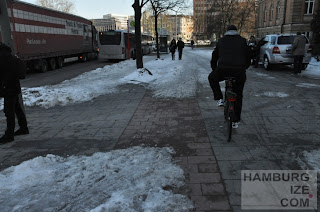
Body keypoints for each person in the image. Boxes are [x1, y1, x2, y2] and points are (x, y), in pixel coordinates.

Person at [208, 25, 251, 128]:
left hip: (223, 70)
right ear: (236, 31)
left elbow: (214, 57)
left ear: (227, 31)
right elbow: (248, 56)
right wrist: (244, 68)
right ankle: (236, 120)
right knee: (238, 95)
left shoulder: (221, 41)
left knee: (212, 78)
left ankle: (219, 98)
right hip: (239, 72)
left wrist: (215, 70)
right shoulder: (242, 41)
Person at [0, 43, 29, 143]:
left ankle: (9, 135)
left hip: (8, 87)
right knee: (17, 108)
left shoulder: (2, 57)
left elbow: (3, 73)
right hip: (13, 86)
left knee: (9, 112)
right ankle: (24, 128)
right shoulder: (8, 55)